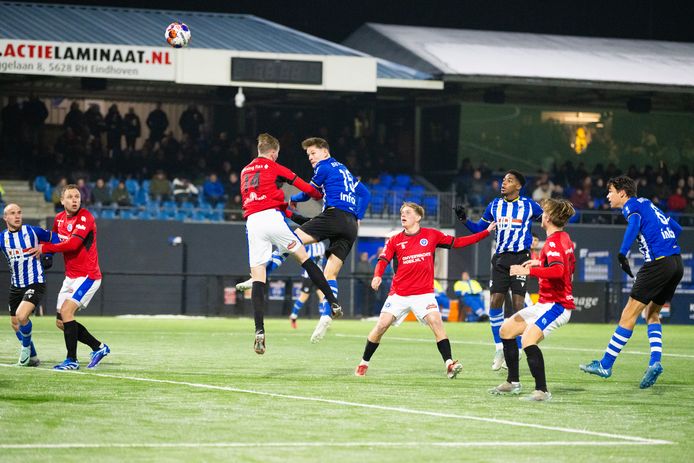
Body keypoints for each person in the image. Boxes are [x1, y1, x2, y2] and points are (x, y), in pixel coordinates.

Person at [237, 137, 371, 342]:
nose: (310, 158)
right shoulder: (345, 170)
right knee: (331, 273)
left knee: (291, 242)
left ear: (325, 152)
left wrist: (292, 199)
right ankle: (326, 316)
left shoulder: (323, 167)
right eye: (308, 155)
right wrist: (358, 217)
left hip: (333, 216)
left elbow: (312, 192)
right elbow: (366, 194)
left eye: (313, 153)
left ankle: (259, 275)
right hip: (350, 225)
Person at [354, 202, 494, 378]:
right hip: (399, 293)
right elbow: (383, 260)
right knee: (381, 325)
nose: (402, 215)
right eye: (401, 212)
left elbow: (458, 242)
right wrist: (377, 275)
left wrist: (485, 233)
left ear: (418, 217)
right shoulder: (395, 240)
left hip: (424, 294)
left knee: (437, 323)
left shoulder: (431, 235)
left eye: (407, 212)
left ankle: (449, 364)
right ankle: (363, 363)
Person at [580, 176, 683, 389]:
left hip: (657, 264)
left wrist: (622, 253)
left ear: (622, 193)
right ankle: (655, 362)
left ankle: (605, 365)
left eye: (610, 191)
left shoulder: (632, 206)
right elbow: (677, 228)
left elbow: (635, 224)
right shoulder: (648, 204)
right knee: (652, 314)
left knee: (628, 315)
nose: (607, 196)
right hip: (676, 263)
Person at [488, 198, 576, 401]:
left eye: (545, 212)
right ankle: (513, 383)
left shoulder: (554, 241)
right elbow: (567, 267)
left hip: (557, 305)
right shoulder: (563, 238)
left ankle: (542, 390)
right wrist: (538, 262)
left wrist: (529, 270)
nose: (542, 214)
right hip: (545, 303)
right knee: (506, 330)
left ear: (548, 217)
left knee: (528, 339)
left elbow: (558, 270)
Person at [455, 170, 543, 370]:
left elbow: (549, 218)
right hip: (501, 259)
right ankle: (499, 348)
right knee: (495, 301)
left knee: (519, 304)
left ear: (518, 186)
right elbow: (480, 229)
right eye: (503, 180)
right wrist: (464, 220)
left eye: (509, 181)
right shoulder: (494, 205)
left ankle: (519, 347)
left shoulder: (529, 205)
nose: (504, 183)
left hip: (521, 258)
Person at [29, 184, 110, 370]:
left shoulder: (85, 217)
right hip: (71, 277)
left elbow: (73, 244)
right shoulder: (59, 219)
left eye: (77, 196)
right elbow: (56, 239)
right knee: (61, 322)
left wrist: (45, 249)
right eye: (70, 197)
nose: (75, 200)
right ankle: (99, 347)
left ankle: (71, 360)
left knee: (66, 313)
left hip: (88, 276)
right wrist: (48, 256)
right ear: (62, 200)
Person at [1, 203, 59, 366]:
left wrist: (46, 250)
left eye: (19, 212)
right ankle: (32, 357)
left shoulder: (32, 231)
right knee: (14, 324)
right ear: (5, 217)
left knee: (21, 316)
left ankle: (25, 352)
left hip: (35, 281)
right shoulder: (2, 238)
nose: (17, 216)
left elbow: (55, 238)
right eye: (12, 213)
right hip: (16, 285)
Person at [287, 241, 327, 330]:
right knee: (303, 297)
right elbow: (302, 257)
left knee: (322, 297)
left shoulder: (321, 245)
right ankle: (293, 316)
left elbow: (322, 260)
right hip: (308, 276)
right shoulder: (308, 245)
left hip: (319, 275)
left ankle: (322, 322)